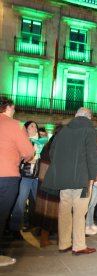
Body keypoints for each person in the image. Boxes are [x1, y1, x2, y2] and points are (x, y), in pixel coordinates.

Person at [42, 107, 97, 255]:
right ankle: (78, 245)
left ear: (76, 115)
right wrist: (92, 176)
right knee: (80, 211)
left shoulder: (62, 132)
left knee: (64, 210)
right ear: (89, 117)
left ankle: (64, 243)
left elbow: (52, 152)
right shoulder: (89, 130)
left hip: (64, 179)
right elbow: (91, 155)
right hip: (82, 178)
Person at [0, 96, 34, 266]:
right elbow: (29, 152)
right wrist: (21, 157)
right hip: (6, 175)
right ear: (8, 107)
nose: (14, 111)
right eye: (13, 108)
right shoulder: (15, 125)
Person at [10, 121, 48, 236]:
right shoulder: (23, 141)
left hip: (37, 177)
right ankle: (16, 228)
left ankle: (35, 225)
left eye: (35, 126)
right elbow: (18, 156)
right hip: (25, 176)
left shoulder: (41, 142)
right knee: (21, 201)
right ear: (26, 129)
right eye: (31, 126)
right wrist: (26, 159)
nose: (34, 127)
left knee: (37, 202)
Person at [33, 125, 64, 247]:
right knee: (55, 210)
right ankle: (54, 239)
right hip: (52, 183)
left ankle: (45, 237)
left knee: (47, 210)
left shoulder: (49, 145)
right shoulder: (59, 146)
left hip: (44, 181)